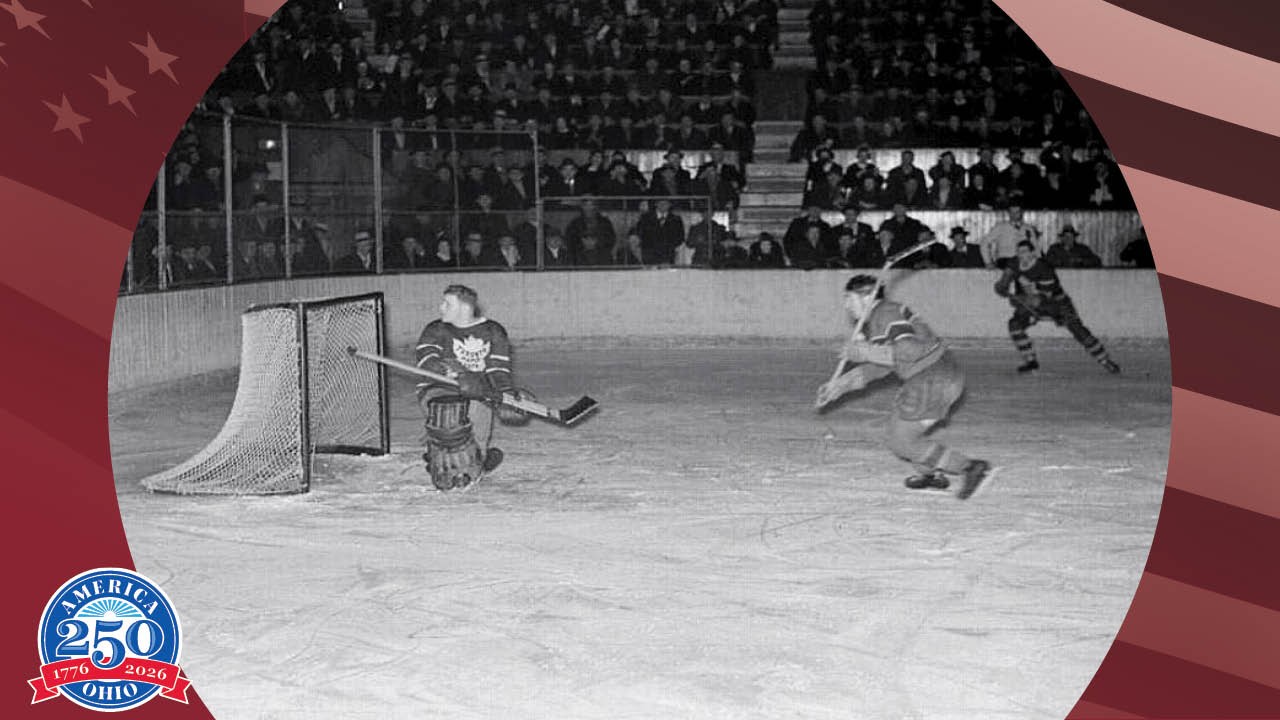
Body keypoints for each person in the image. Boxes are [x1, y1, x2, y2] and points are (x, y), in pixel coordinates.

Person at [817, 274, 991, 499]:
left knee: (901, 441)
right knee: (902, 434)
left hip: (931, 378)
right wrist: (841, 385)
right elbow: (882, 366)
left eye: (849, 298)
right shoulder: (883, 316)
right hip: (940, 377)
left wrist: (864, 351)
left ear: (868, 297)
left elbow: (910, 350)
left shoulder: (884, 312)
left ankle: (969, 467)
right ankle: (929, 474)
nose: (846, 305)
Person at [413, 285, 531, 491]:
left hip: (478, 390)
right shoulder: (435, 329)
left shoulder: (493, 331)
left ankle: (479, 458)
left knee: (478, 404)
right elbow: (427, 359)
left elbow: (498, 370)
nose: (441, 308)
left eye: (447, 303)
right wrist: (451, 372)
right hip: (437, 387)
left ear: (464, 308)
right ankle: (437, 451)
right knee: (450, 413)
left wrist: (505, 394)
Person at [995, 240, 1121, 374]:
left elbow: (1042, 298)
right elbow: (1003, 283)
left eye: (1025, 252)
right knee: (1014, 325)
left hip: (1057, 302)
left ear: (1033, 253)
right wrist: (1001, 287)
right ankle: (1030, 360)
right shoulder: (1013, 264)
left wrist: (1019, 299)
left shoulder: (1044, 268)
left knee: (1077, 329)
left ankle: (1104, 360)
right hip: (1031, 302)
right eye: (1019, 252)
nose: (1021, 256)